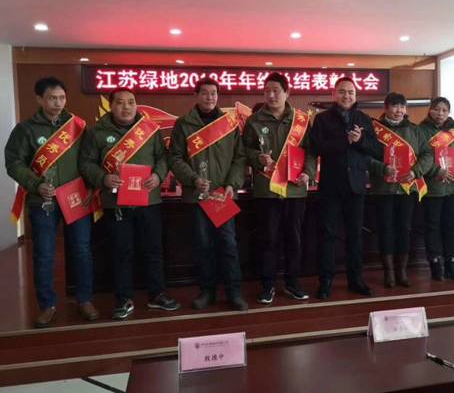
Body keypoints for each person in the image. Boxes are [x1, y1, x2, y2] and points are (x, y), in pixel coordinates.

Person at [5, 77, 98, 327]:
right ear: (39, 99)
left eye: (61, 98)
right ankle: (47, 305)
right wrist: (36, 184)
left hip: (76, 198)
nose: (58, 103)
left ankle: (85, 299)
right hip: (42, 200)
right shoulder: (25, 129)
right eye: (52, 98)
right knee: (45, 254)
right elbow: (13, 163)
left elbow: (89, 160)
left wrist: (91, 186)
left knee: (82, 250)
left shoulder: (77, 126)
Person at [79, 88, 180, 320]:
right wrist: (103, 178)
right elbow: (86, 163)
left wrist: (158, 175)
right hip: (117, 203)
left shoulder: (149, 129)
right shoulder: (97, 133)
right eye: (120, 102)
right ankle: (123, 299)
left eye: (131, 102)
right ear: (111, 105)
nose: (126, 107)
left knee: (154, 250)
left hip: (149, 200)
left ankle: (157, 295)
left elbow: (163, 157)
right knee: (121, 252)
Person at [168, 78, 248, 311]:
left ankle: (234, 292)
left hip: (222, 195)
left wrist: (232, 183)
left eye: (213, 93)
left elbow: (239, 157)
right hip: (197, 196)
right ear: (196, 95)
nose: (209, 97)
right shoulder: (183, 124)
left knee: (228, 244)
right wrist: (193, 179)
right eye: (204, 93)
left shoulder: (229, 123)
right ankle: (207, 291)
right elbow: (174, 157)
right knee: (203, 245)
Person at [243, 72, 316, 305]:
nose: (271, 95)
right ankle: (268, 286)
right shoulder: (254, 121)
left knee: (294, 239)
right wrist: (258, 158)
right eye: (267, 91)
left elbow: (311, 152)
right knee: (268, 240)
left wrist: (308, 173)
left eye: (276, 90)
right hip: (267, 190)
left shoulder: (301, 120)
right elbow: (245, 151)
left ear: (287, 92)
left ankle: (293, 283)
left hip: (295, 189)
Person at [310, 77, 382, 299]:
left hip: (356, 186)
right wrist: (345, 140)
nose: (346, 96)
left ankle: (356, 279)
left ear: (356, 95)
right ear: (334, 94)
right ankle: (325, 281)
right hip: (331, 186)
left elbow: (377, 150)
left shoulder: (364, 119)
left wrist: (359, 141)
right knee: (327, 235)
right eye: (342, 91)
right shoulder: (322, 119)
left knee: (355, 236)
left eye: (351, 92)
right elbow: (316, 147)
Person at [369, 92, 432, 288]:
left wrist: (415, 172)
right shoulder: (373, 130)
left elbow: (428, 154)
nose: (399, 111)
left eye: (402, 107)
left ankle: (401, 270)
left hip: (407, 188)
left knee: (404, 229)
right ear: (386, 108)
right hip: (383, 189)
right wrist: (382, 168)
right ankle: (388, 272)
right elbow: (365, 156)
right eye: (395, 106)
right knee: (385, 229)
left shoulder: (415, 130)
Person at [418, 97, 454, 281]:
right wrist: (436, 171)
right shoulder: (421, 130)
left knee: (451, 226)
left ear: (449, 112)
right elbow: (419, 157)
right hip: (433, 187)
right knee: (432, 226)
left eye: (444, 110)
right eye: (436, 109)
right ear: (430, 110)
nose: (440, 113)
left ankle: (450, 263)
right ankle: (435, 264)